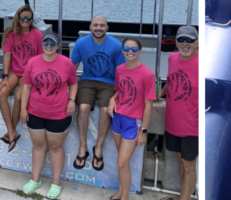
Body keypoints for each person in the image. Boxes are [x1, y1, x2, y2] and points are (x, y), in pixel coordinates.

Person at [19, 33, 78, 200]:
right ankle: (35, 180)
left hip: (59, 113)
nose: (49, 46)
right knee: (38, 146)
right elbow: (26, 87)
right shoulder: (32, 62)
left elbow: (73, 82)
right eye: (46, 43)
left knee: (55, 147)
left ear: (58, 45)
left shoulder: (67, 63)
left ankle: (56, 182)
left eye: (53, 43)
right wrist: (23, 109)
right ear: (42, 44)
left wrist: (72, 100)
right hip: (35, 112)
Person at [71, 15, 125, 171]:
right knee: (82, 109)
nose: (99, 28)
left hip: (109, 82)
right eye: (95, 25)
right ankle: (83, 147)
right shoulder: (81, 43)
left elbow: (121, 71)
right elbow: (72, 66)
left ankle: (98, 147)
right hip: (87, 80)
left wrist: (118, 93)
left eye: (102, 25)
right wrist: (65, 86)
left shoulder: (116, 45)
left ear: (107, 28)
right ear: (90, 27)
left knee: (105, 111)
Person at [107, 38, 155, 200]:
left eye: (134, 49)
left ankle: (125, 197)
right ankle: (121, 193)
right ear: (122, 50)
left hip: (133, 123)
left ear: (139, 51)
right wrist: (112, 99)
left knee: (121, 163)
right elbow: (120, 90)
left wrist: (144, 131)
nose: (130, 52)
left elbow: (149, 105)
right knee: (121, 162)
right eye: (126, 48)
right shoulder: (120, 69)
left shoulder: (147, 74)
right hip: (117, 118)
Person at [0, 5, 43, 152]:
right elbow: (7, 56)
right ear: (18, 18)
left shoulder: (37, 34)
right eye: (22, 17)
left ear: (31, 19)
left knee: (19, 97)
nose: (25, 20)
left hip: (29, 72)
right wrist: (4, 76)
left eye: (28, 18)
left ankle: (11, 132)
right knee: (2, 93)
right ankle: (11, 131)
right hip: (14, 71)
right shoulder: (11, 33)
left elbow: (40, 57)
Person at [161, 26, 198, 200]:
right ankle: (183, 197)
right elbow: (172, 80)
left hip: (194, 126)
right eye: (181, 39)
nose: (185, 43)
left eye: (189, 40)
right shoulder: (172, 58)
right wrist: (159, 93)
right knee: (179, 158)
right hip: (173, 121)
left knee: (189, 165)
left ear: (197, 43)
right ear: (175, 42)